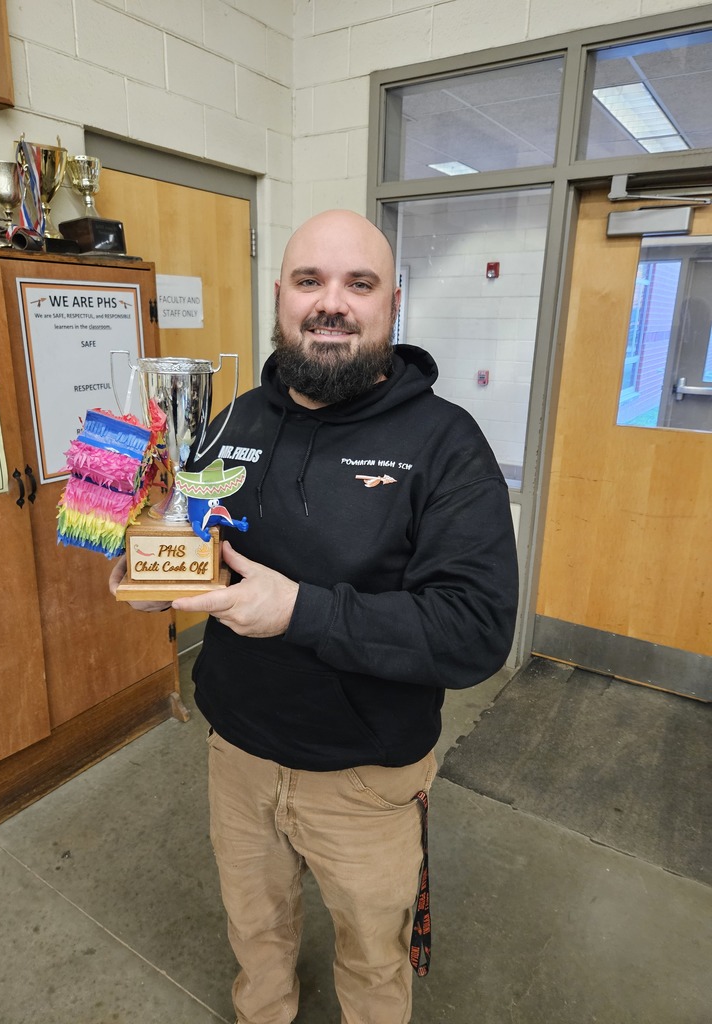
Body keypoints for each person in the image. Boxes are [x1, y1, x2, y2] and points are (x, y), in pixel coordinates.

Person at [110, 209, 519, 1024]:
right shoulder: (228, 422)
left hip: (366, 777)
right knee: (256, 936)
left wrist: (296, 609)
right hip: (238, 755)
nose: (332, 302)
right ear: (280, 296)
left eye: (358, 284)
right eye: (310, 281)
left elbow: (474, 630)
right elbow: (195, 543)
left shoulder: (446, 441)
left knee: (372, 961)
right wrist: (153, 571)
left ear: (391, 304)